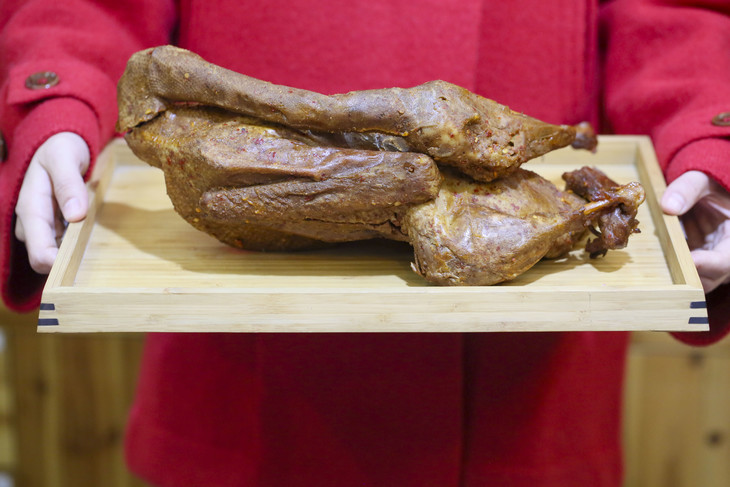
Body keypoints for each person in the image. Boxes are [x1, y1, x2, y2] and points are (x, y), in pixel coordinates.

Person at [1, 0, 729, 485]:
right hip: (248, 377)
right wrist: (58, 100)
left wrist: (707, 132)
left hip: (526, 390)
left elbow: (674, 15)